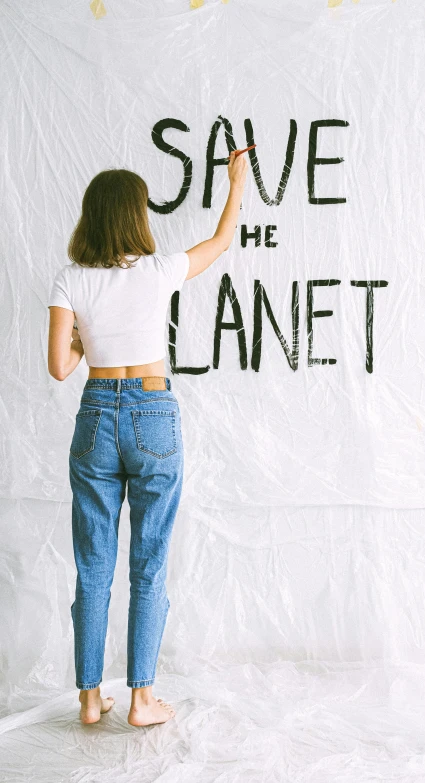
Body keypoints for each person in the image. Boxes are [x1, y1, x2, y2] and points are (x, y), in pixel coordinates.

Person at [47, 153, 248, 726]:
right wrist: (235, 184)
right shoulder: (159, 271)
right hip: (153, 410)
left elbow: (61, 366)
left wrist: (92, 336)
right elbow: (221, 239)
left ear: (91, 218)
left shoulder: (70, 279)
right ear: (137, 216)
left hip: (95, 416)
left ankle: (89, 699)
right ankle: (141, 700)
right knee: (150, 562)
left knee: (93, 564)